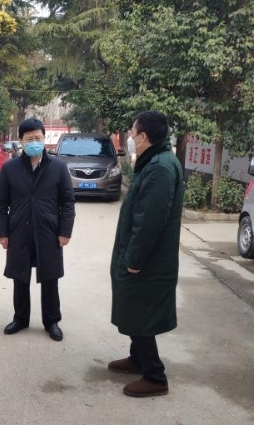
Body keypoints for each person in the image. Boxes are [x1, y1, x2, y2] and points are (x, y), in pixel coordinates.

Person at [109, 110, 184, 397]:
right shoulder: (155, 161)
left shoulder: (160, 167)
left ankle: (155, 375)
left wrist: (135, 259)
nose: (129, 138)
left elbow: (150, 220)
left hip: (147, 261)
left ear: (143, 136)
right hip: (144, 256)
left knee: (139, 311)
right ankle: (137, 358)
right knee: (134, 309)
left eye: (132, 133)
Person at [0, 118, 75, 341]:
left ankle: (52, 321)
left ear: (44, 138)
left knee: (50, 277)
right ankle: (20, 318)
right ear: (21, 141)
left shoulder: (58, 167)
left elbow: (67, 203)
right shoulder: (10, 168)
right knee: (20, 277)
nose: (34, 142)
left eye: (38, 138)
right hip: (18, 231)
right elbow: (1, 204)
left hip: (49, 232)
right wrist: (2, 233)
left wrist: (65, 231)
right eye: (29, 139)